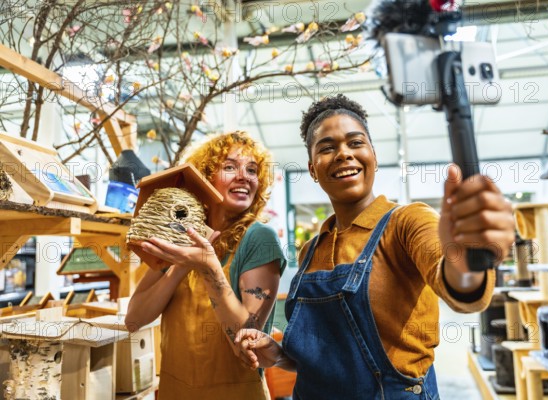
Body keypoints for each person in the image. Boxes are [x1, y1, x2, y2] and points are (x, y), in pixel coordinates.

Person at [235, 94, 515, 399]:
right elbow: (323, 359)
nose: (343, 154)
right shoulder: (312, 249)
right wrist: (277, 355)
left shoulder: (407, 222)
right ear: (313, 169)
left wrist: (469, 256)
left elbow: (462, 291)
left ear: (374, 156)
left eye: (355, 143)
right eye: (327, 148)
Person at [125, 131, 287, 399]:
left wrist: (207, 266)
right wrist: (182, 265)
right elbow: (134, 319)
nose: (244, 176)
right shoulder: (176, 237)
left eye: (252, 170)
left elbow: (246, 337)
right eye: (230, 167)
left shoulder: (259, 238)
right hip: (174, 392)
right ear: (205, 177)